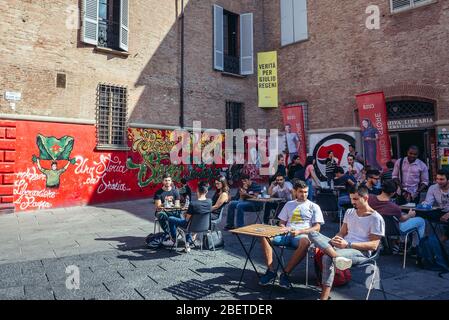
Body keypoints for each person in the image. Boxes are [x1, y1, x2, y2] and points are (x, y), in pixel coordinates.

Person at [308, 185, 385, 300]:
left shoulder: (376, 218)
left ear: (366, 198)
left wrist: (347, 244)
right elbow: (342, 232)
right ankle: (336, 256)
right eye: (351, 199)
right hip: (342, 246)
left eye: (355, 199)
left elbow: (374, 245)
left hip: (360, 251)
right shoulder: (349, 212)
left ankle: (323, 298)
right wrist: (336, 239)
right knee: (312, 233)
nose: (352, 202)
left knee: (327, 258)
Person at [259, 181, 325, 288]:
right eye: (301, 192)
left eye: (306, 192)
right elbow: (281, 223)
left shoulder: (314, 206)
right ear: (294, 191)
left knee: (305, 242)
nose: (304, 195)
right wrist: (284, 228)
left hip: (301, 235)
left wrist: (300, 231)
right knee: (265, 236)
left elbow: (317, 227)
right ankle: (271, 271)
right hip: (286, 234)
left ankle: (285, 273)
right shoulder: (289, 204)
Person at [369, 180, 426, 252]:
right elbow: (402, 219)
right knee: (421, 221)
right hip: (395, 229)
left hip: (376, 227)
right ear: (393, 193)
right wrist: (410, 215)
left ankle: (403, 244)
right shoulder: (394, 207)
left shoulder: (370, 198)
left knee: (403, 215)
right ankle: (417, 247)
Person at [167, 181, 212, 251]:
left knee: (171, 218)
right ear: (206, 192)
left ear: (197, 191)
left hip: (190, 227)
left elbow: (187, 219)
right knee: (188, 220)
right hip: (205, 226)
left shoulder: (193, 204)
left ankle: (174, 239)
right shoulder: (210, 202)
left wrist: (185, 214)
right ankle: (188, 242)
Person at [422, 169, 449, 242]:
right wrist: (423, 205)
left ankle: (444, 238)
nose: (439, 181)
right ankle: (422, 241)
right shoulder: (433, 188)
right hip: (441, 211)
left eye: (442, 179)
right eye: (437, 179)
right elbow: (428, 202)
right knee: (420, 214)